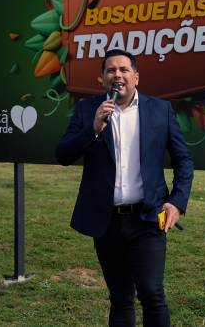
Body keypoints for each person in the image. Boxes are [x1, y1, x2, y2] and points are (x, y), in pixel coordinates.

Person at [56, 49, 194, 327]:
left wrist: (177, 202)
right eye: (110, 70)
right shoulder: (87, 110)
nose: (117, 75)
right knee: (120, 298)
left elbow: (183, 159)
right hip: (106, 222)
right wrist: (94, 128)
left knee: (152, 293)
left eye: (123, 69)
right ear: (102, 78)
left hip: (148, 217)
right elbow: (63, 155)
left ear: (136, 77)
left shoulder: (160, 110)